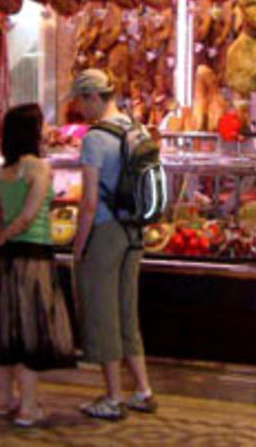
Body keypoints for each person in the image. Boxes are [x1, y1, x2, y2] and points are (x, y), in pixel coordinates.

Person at [0, 104, 75, 427]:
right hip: (33, 256)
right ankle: (28, 406)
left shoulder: (4, 171)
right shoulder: (38, 168)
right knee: (29, 332)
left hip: (7, 258)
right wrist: (7, 235)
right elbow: (29, 215)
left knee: (4, 329)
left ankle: (3, 398)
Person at [70, 69, 156, 421]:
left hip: (105, 230)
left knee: (102, 311)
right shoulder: (137, 128)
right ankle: (143, 389)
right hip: (135, 230)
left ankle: (113, 396)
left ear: (93, 97)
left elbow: (89, 202)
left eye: (80, 101)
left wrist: (79, 243)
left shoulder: (95, 139)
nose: (78, 109)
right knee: (126, 308)